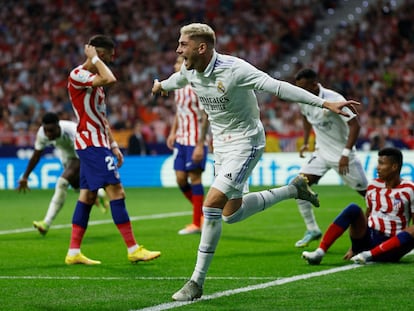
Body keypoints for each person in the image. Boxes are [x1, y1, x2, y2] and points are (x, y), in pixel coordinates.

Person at [151, 23, 360, 301]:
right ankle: (293, 189)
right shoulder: (190, 69)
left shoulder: (235, 69)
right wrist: (161, 86)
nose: (178, 49)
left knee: (211, 205)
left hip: (246, 142)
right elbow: (177, 80)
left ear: (201, 48)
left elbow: (278, 87)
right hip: (222, 147)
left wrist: (324, 104)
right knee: (231, 214)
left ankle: (196, 282)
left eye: (183, 44)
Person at [65, 34, 160, 265]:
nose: (112, 58)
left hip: (99, 142)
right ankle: (133, 249)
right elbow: (111, 78)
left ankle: (73, 252)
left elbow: (102, 118)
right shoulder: (78, 74)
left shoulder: (95, 81)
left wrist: (114, 145)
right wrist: (95, 58)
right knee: (116, 191)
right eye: (110, 54)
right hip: (91, 144)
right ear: (100, 52)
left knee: (87, 196)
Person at [293, 68, 368, 248]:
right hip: (321, 153)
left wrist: (345, 153)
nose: (300, 91)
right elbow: (305, 117)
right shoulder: (303, 98)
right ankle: (312, 229)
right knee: (298, 186)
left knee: (368, 194)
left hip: (343, 156)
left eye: (303, 87)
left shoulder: (335, 99)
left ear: (314, 84)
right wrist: (305, 141)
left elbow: (355, 125)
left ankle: (377, 229)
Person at [302, 147, 414, 265]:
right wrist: (354, 248)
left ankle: (368, 255)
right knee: (353, 208)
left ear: (394, 167)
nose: (377, 167)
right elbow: (369, 213)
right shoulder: (373, 186)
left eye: (381, 164)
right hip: (370, 238)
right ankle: (319, 252)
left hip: (392, 245)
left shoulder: (409, 189)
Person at [17, 112, 109, 235]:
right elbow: (36, 156)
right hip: (66, 156)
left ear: (58, 126)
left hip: (83, 153)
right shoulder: (42, 133)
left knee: (62, 183)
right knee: (78, 188)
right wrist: (25, 177)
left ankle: (46, 223)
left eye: (51, 131)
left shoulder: (73, 132)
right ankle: (99, 193)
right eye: (46, 130)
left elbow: (83, 157)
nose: (48, 134)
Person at [167, 55, 209, 235]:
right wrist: (173, 131)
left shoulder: (197, 86)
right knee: (180, 179)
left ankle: (197, 223)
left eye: (179, 62)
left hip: (195, 139)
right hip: (181, 139)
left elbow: (206, 114)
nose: (176, 65)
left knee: (195, 178)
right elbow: (179, 111)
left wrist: (201, 144)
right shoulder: (178, 87)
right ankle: (206, 214)